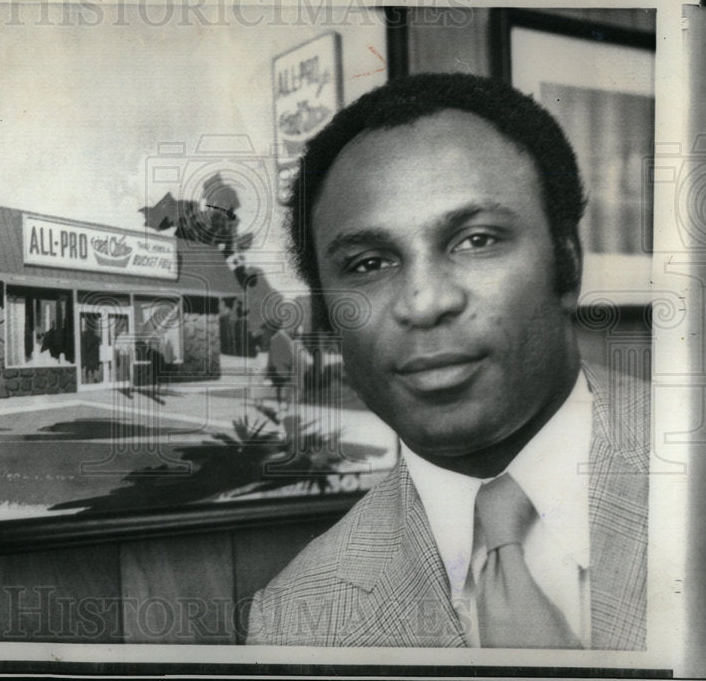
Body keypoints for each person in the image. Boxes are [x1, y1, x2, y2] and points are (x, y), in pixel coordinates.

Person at [246, 73, 649, 650]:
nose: (425, 302)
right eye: (368, 264)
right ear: (328, 317)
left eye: (476, 240)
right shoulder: (296, 620)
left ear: (568, 262)